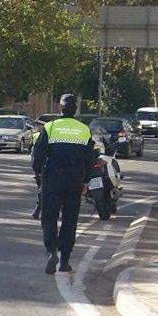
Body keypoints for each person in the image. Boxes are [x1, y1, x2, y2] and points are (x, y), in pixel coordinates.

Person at [30, 93, 98, 274]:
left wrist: (37, 171)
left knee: (49, 217)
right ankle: (65, 260)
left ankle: (51, 251)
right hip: (75, 180)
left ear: (60, 108)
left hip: (52, 178)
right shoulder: (84, 130)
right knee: (70, 219)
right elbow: (89, 159)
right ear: (76, 109)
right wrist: (86, 181)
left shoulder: (50, 128)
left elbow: (38, 153)